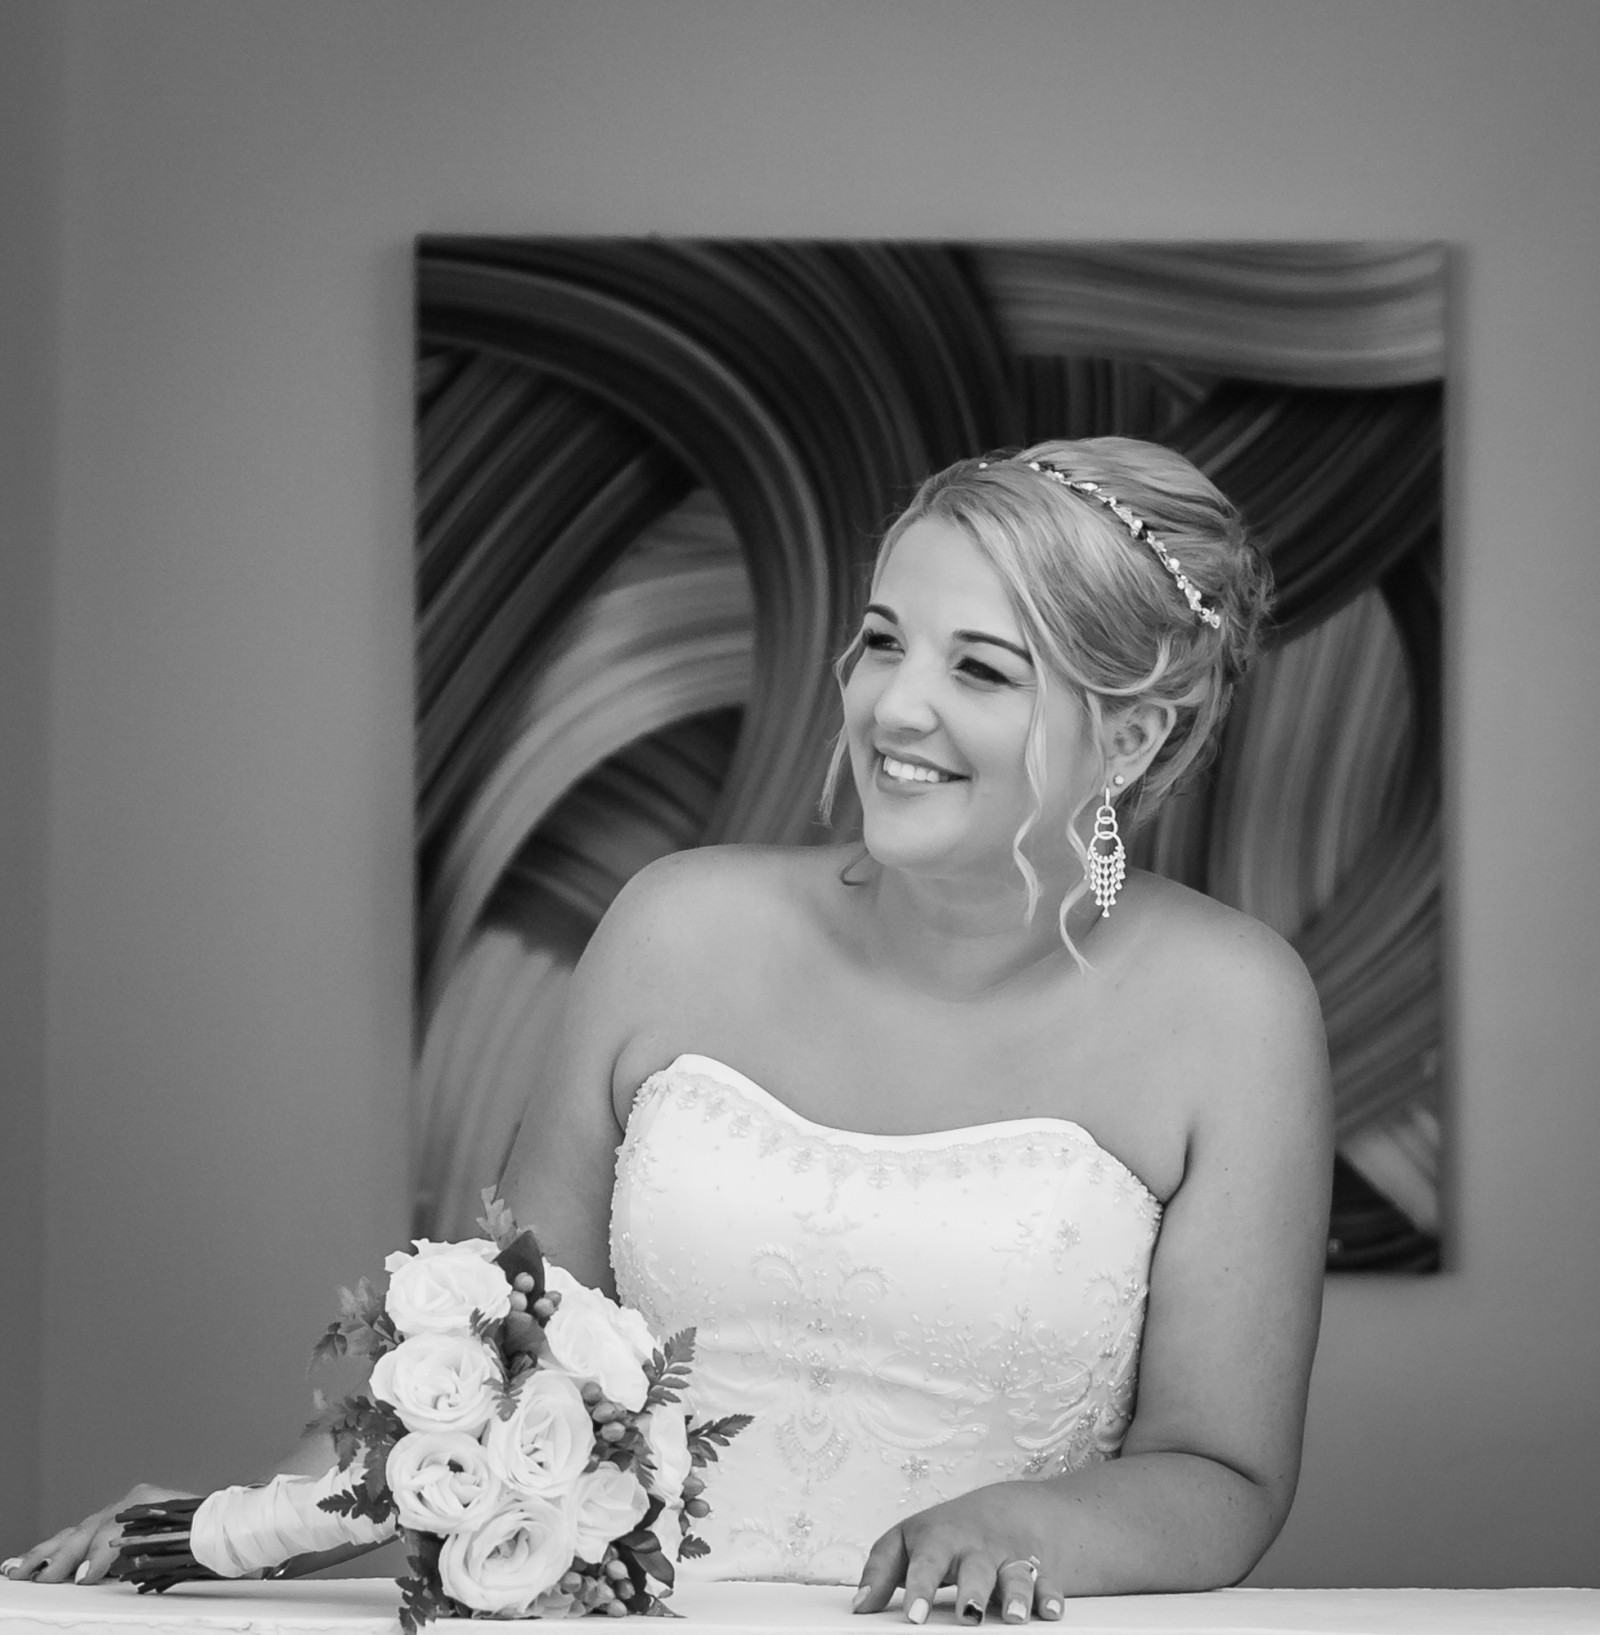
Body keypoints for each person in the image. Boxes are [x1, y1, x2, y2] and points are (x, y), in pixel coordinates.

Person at [5, 439, 1331, 1620]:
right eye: (881, 640)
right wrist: (237, 1531)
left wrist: (1023, 1528)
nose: (892, 707)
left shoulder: (1235, 1012)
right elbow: (493, 1361)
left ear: (1135, 735)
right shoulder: (673, 929)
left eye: (980, 667)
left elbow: (1223, 1472)